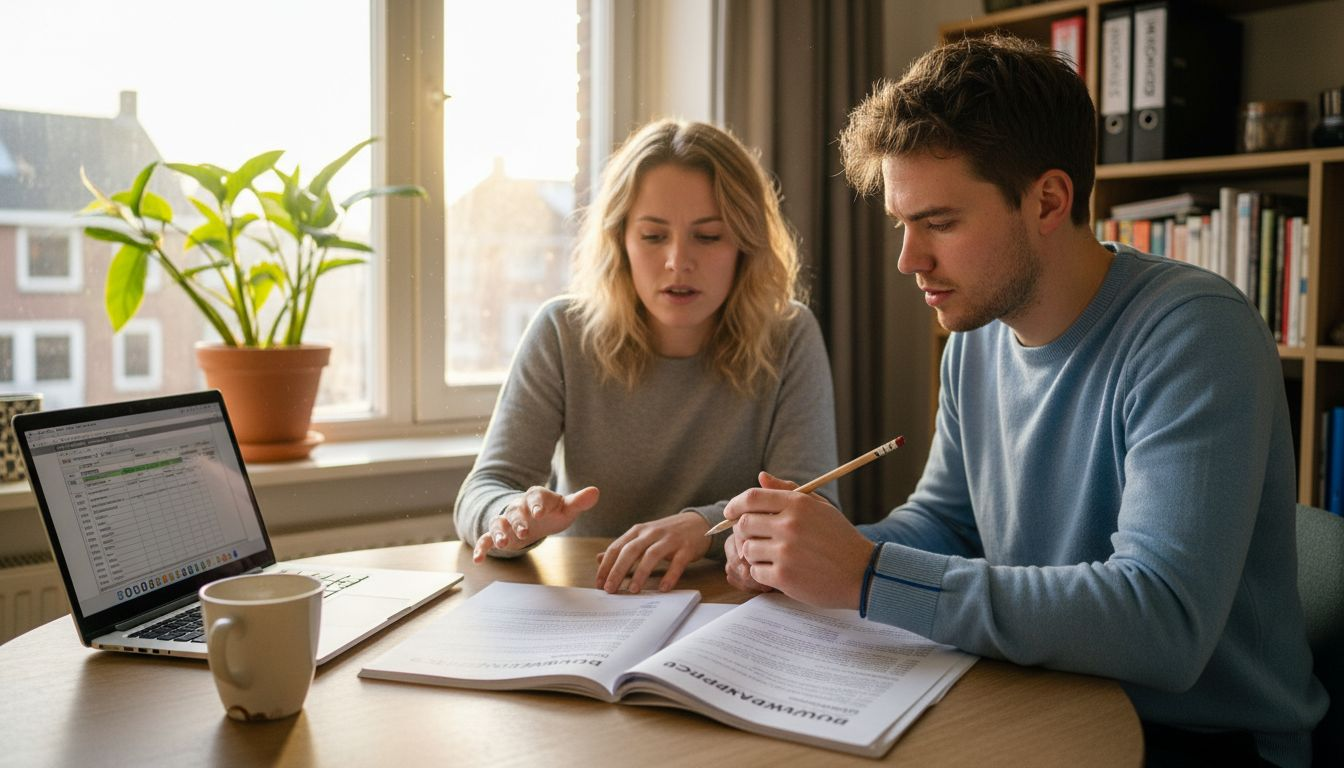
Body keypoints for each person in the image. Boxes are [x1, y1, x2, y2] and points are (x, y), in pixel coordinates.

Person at [719, 34, 1327, 767]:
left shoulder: (1195, 334)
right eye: (901, 226)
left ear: (1048, 200)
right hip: (1043, 695)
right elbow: (946, 523)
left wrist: (866, 575)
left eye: (939, 222)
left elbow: (1161, 624)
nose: (910, 260)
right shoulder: (975, 341)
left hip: (1204, 740)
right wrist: (804, 550)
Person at [455, 118, 839, 595]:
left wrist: (705, 527)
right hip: (592, 600)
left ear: (745, 243)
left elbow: (814, 507)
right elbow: (485, 489)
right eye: (654, 237)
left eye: (709, 235)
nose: (678, 260)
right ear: (621, 242)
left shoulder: (789, 334)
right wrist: (513, 518)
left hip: (729, 607)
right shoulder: (561, 331)